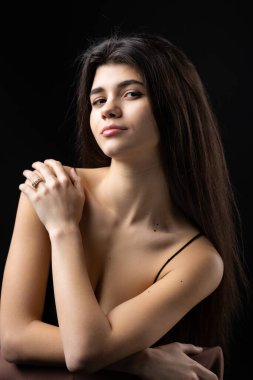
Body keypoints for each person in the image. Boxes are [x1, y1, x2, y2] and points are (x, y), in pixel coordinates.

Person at [0, 32, 249, 379]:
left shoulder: (198, 260)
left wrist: (63, 228)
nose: (109, 110)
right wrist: (141, 360)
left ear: (174, 107)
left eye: (131, 94)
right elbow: (13, 340)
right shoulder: (51, 189)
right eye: (98, 100)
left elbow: (85, 353)